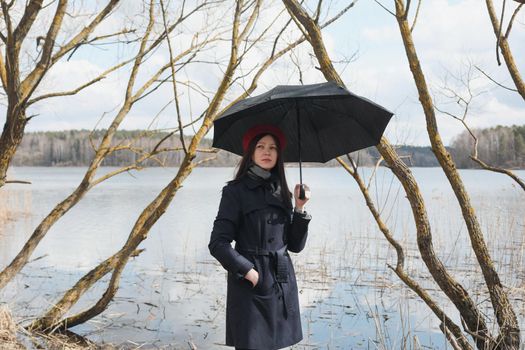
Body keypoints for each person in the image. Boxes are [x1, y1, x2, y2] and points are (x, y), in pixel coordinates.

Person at [208, 124, 311, 350]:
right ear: (251, 153)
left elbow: (294, 246)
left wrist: (299, 209)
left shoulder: (281, 191)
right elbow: (218, 243)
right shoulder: (235, 191)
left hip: (281, 281)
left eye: (273, 148)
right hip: (250, 286)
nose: (267, 152)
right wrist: (248, 271)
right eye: (261, 146)